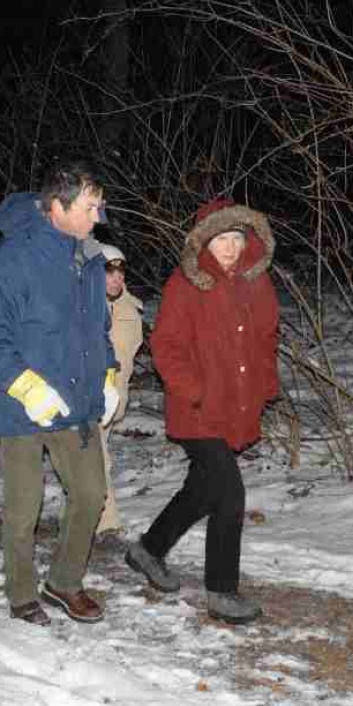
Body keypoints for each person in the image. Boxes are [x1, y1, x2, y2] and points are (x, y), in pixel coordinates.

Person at [0, 161, 116, 626]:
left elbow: (97, 328)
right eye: (89, 207)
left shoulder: (90, 258)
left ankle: (64, 582)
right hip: (21, 407)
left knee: (91, 495)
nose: (98, 217)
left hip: (76, 402)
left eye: (99, 207)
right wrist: (27, 387)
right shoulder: (8, 262)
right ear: (57, 207)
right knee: (24, 508)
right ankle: (21, 592)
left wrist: (108, 374)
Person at [124, 199, 280, 625]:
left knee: (203, 490)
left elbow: (266, 338)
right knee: (229, 495)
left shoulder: (256, 283)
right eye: (220, 239)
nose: (230, 247)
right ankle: (222, 591)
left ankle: (148, 550)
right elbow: (167, 347)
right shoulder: (187, 284)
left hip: (235, 405)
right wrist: (197, 392)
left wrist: (266, 383)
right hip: (197, 409)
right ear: (204, 242)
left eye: (236, 238)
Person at [95, 242, 144, 538]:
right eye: (108, 273)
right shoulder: (81, 308)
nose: (116, 279)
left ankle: (81, 510)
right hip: (91, 398)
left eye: (120, 273)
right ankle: (106, 521)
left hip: (118, 396)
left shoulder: (131, 308)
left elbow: (131, 352)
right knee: (99, 459)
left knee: (92, 461)